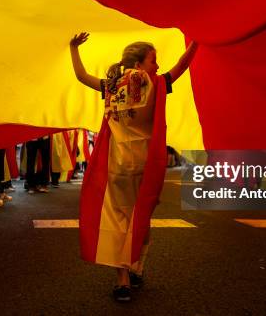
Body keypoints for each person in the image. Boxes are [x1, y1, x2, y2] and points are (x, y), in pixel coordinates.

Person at [69, 32, 198, 302]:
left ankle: (122, 279)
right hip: (147, 164)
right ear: (139, 65)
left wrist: (73, 49)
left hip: (117, 164)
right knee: (142, 215)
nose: (158, 66)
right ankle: (137, 267)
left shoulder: (113, 85)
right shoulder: (154, 83)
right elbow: (182, 65)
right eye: (154, 60)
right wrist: (198, 39)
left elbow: (81, 77)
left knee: (119, 218)